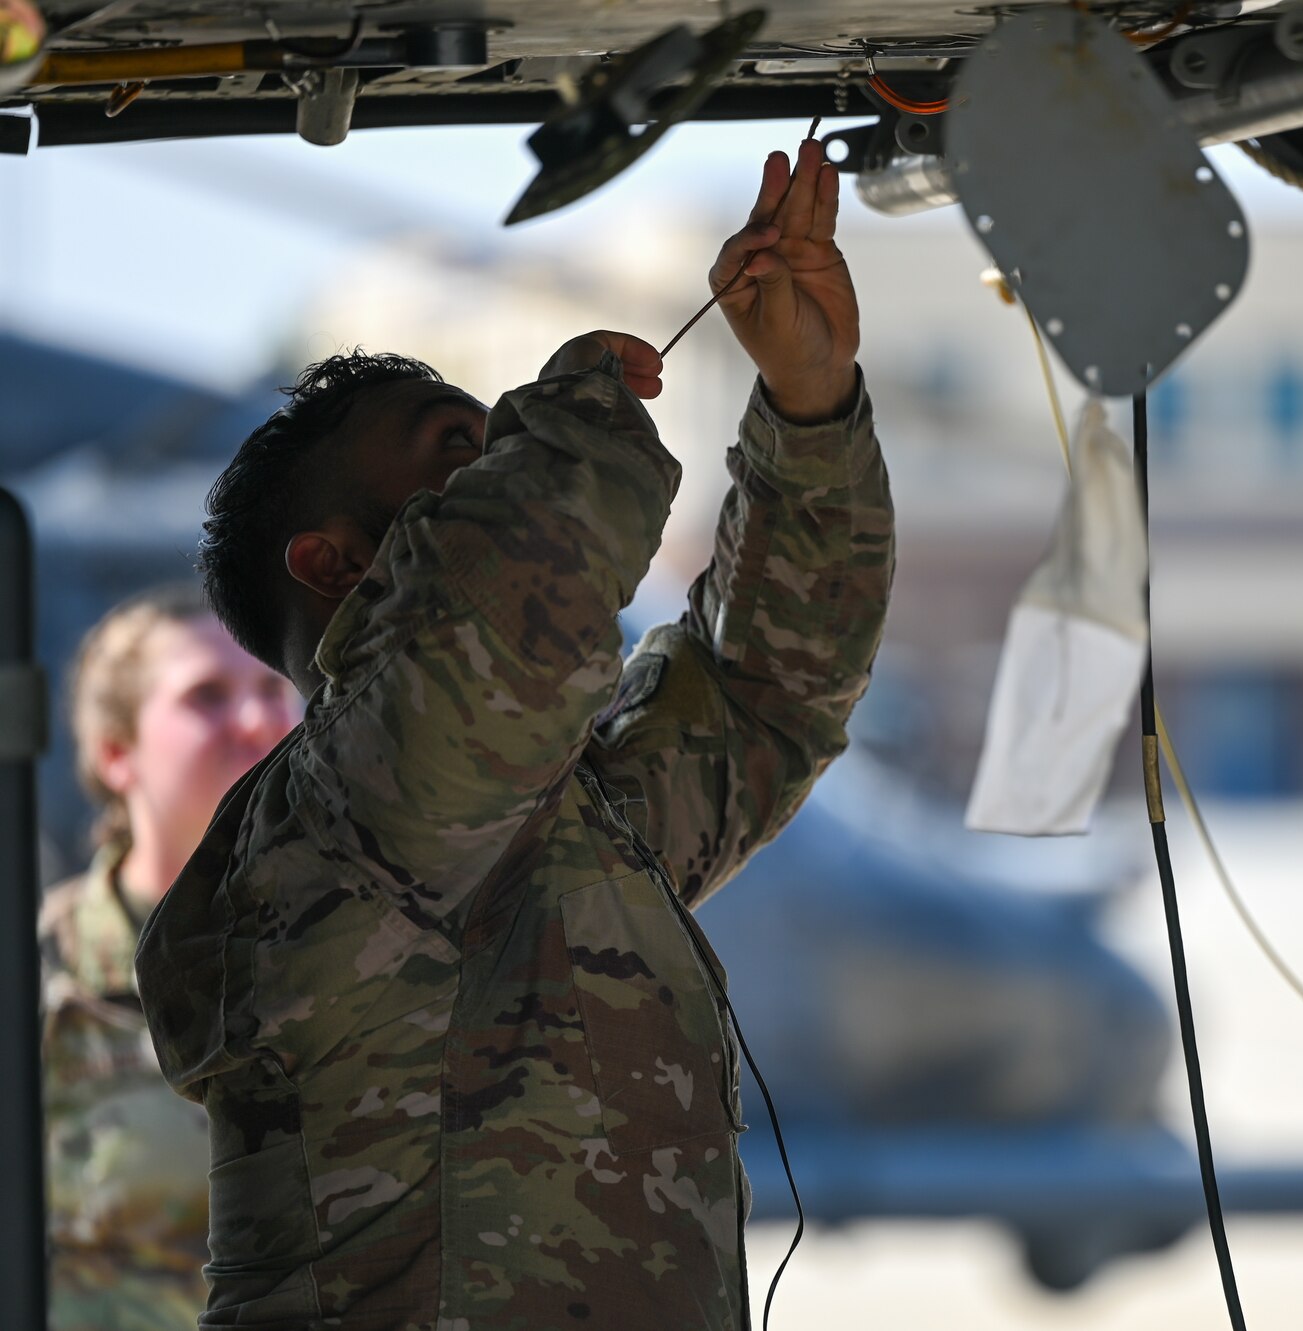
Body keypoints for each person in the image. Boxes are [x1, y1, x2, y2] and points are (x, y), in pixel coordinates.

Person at [134, 138, 891, 1329]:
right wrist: (575, 407)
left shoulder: (543, 818)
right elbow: (519, 593)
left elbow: (764, 693)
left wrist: (806, 403)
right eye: (459, 454)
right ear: (337, 565)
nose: (502, 468)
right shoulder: (338, 826)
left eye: (499, 451)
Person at [40, 583, 300, 1330]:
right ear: (116, 752)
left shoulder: (369, 950)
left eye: (272, 687)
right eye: (207, 695)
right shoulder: (41, 976)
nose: (256, 721)